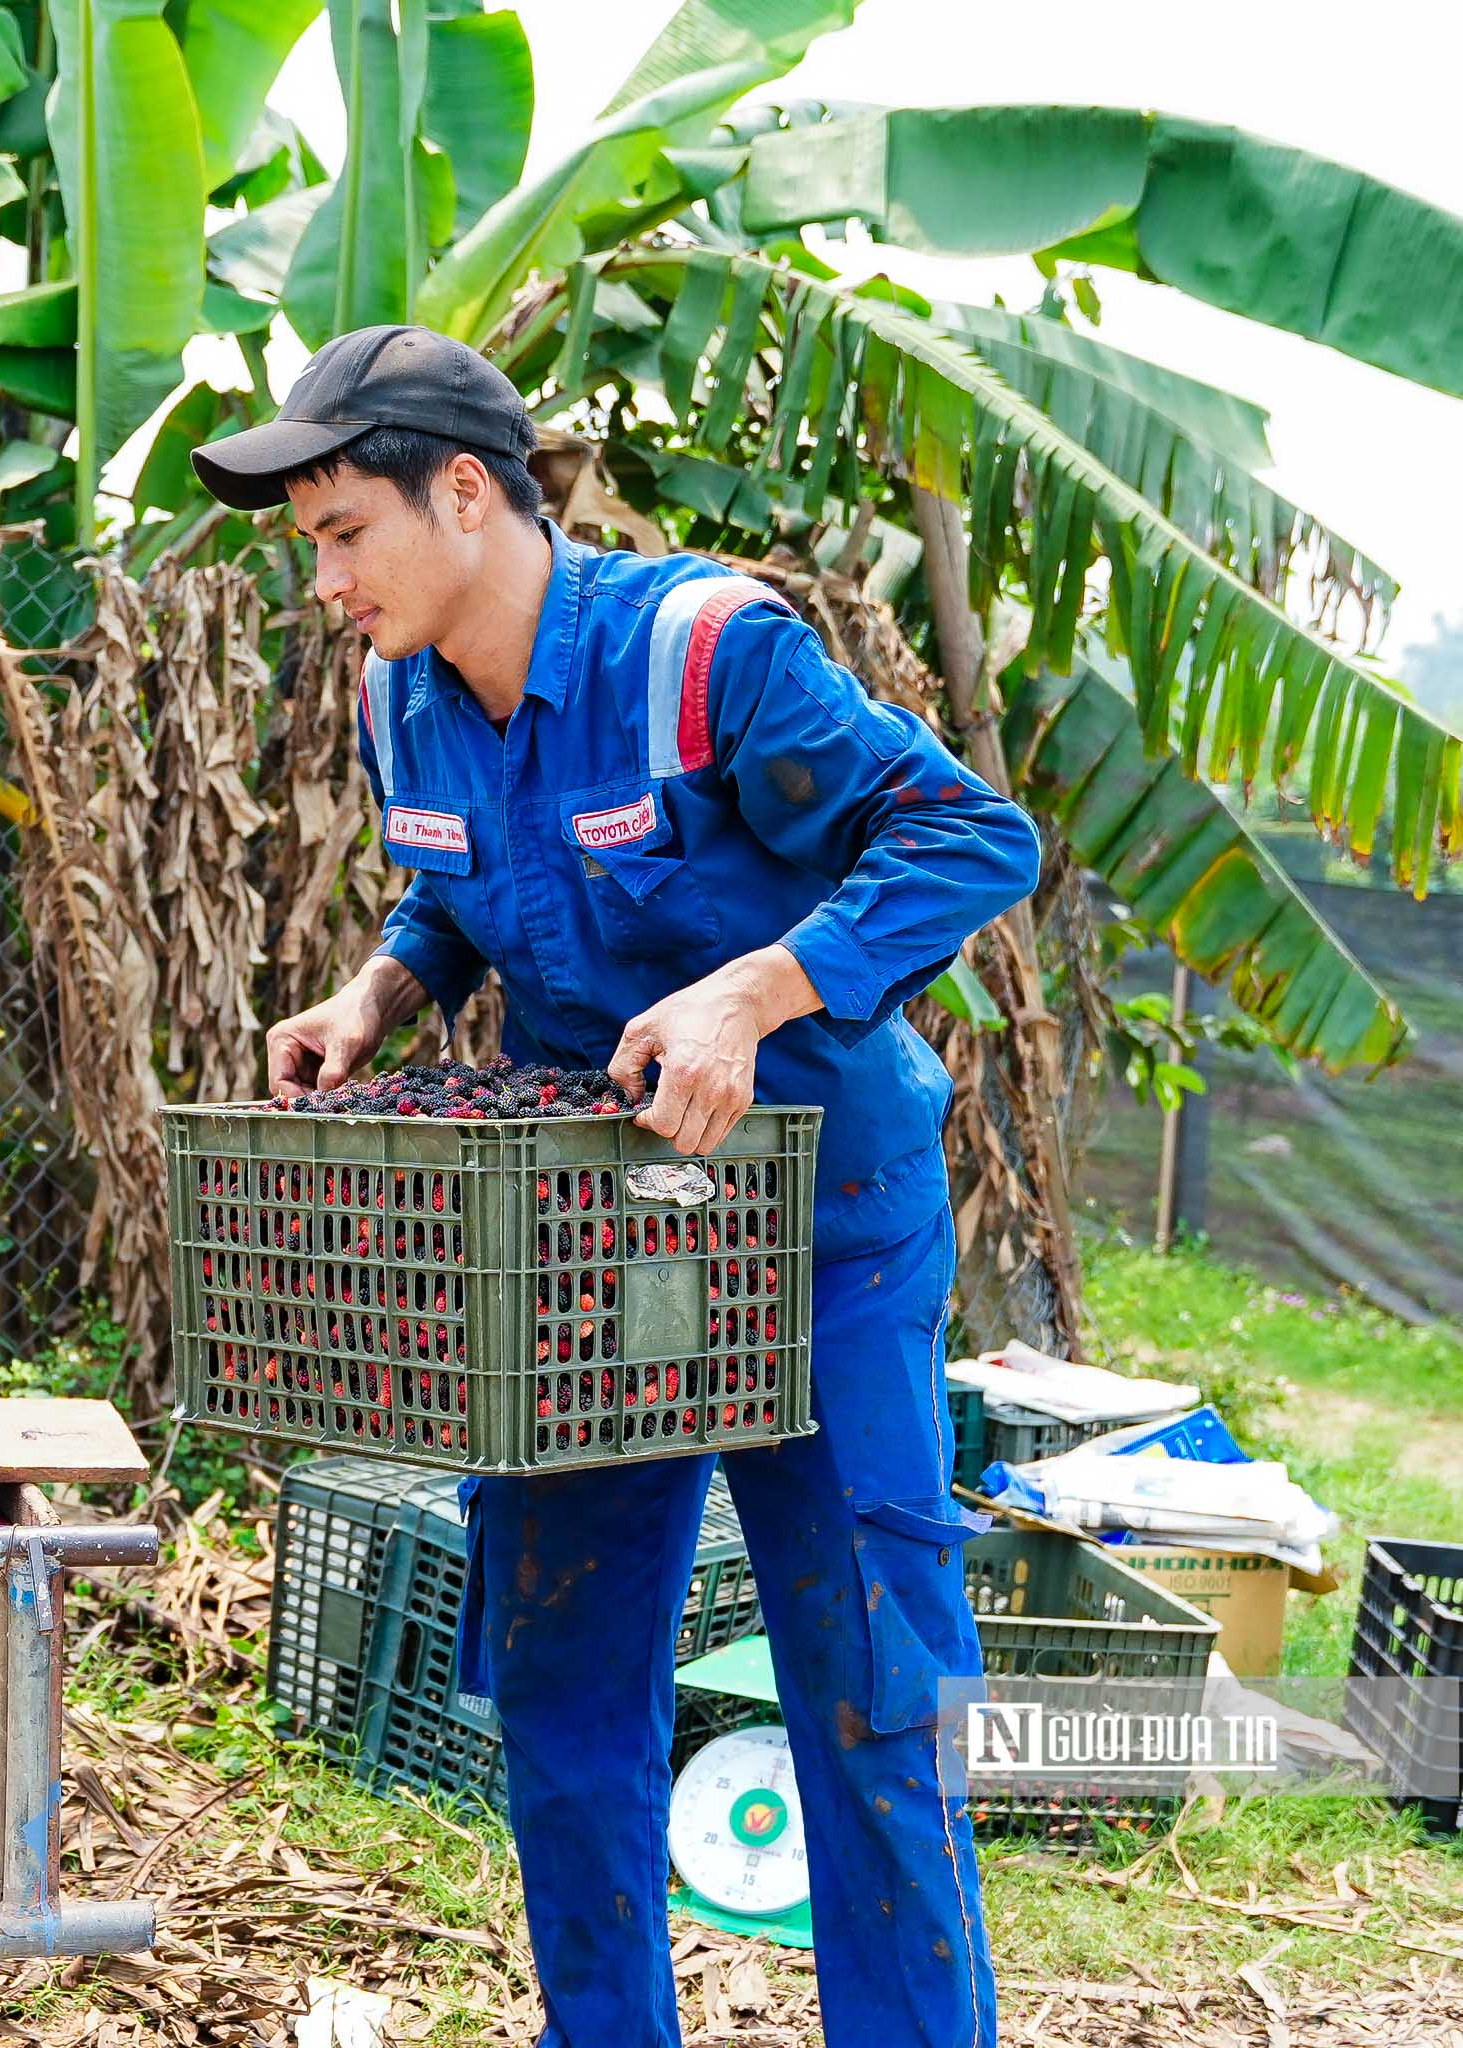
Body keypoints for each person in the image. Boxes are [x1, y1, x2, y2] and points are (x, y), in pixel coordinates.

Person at [191, 324, 1039, 2048]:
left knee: (873, 1699)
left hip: (821, 1238)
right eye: (313, 551)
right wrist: (381, 991)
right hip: (598, 1254)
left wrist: (758, 988)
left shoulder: (702, 654)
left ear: (467, 493)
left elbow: (969, 837)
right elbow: (458, 893)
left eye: (348, 533)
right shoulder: (398, 698)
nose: (330, 581)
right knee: (568, 1703)